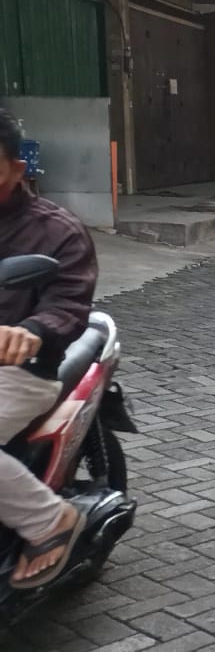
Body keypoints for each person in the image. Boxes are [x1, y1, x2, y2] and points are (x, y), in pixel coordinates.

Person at [0, 109, 96, 590]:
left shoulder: (55, 230)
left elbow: (69, 302)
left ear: (18, 167)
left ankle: (48, 521)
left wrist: (31, 330)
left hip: (19, 371)